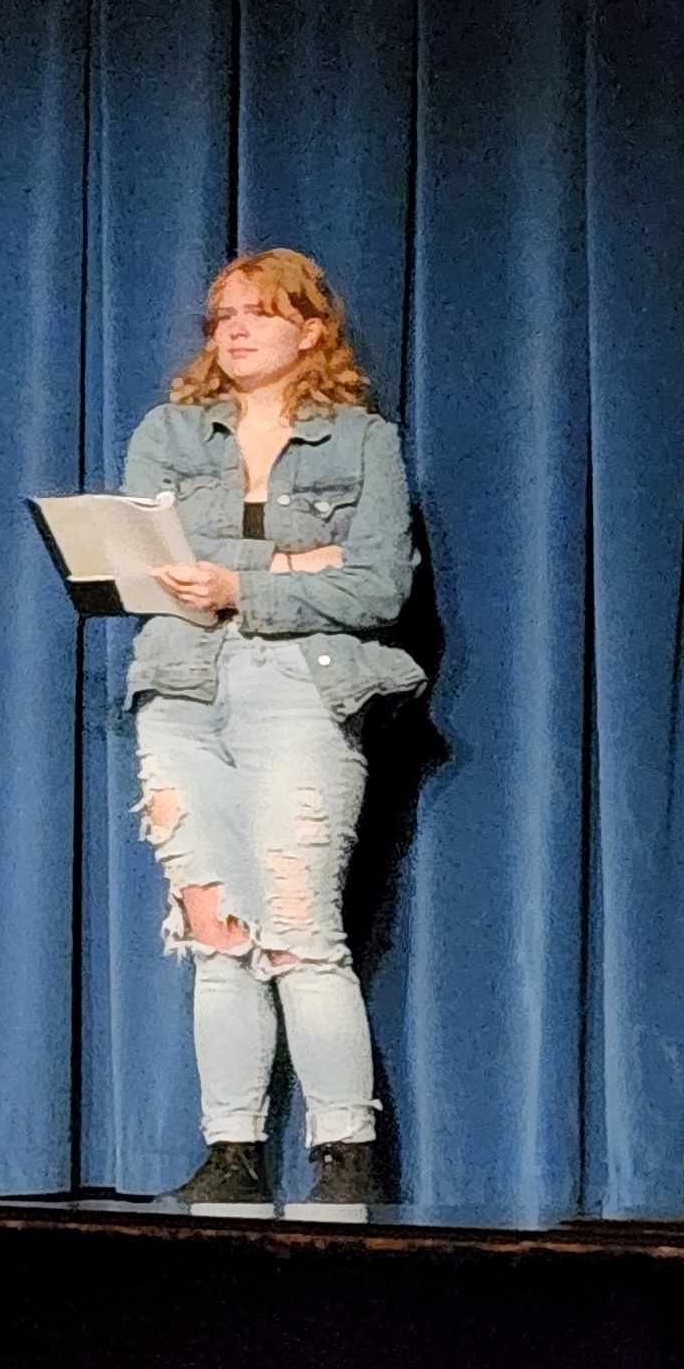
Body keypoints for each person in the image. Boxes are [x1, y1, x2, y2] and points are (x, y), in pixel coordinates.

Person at [121, 247, 420, 1206]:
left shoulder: (362, 441)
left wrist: (242, 583)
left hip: (301, 684)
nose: (235, 329)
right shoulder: (169, 434)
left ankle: (344, 1152)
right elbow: (143, 562)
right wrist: (300, 562)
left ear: (311, 329)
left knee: (298, 929)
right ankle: (232, 1150)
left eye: (258, 312)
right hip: (182, 690)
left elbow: (379, 586)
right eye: (221, 315)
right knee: (218, 931)